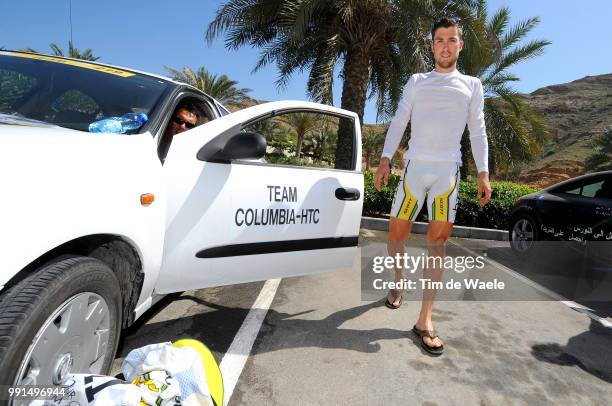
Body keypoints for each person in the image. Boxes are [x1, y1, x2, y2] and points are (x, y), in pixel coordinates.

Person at [374, 17, 492, 355]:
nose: (445, 45)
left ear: (460, 45)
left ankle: (424, 321)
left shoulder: (472, 85)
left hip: (447, 175)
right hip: (413, 169)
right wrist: (384, 159)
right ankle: (399, 284)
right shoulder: (416, 81)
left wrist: (483, 172)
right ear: (432, 45)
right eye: (439, 39)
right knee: (396, 235)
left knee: (436, 244)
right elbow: (399, 119)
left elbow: (478, 130)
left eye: (451, 39)